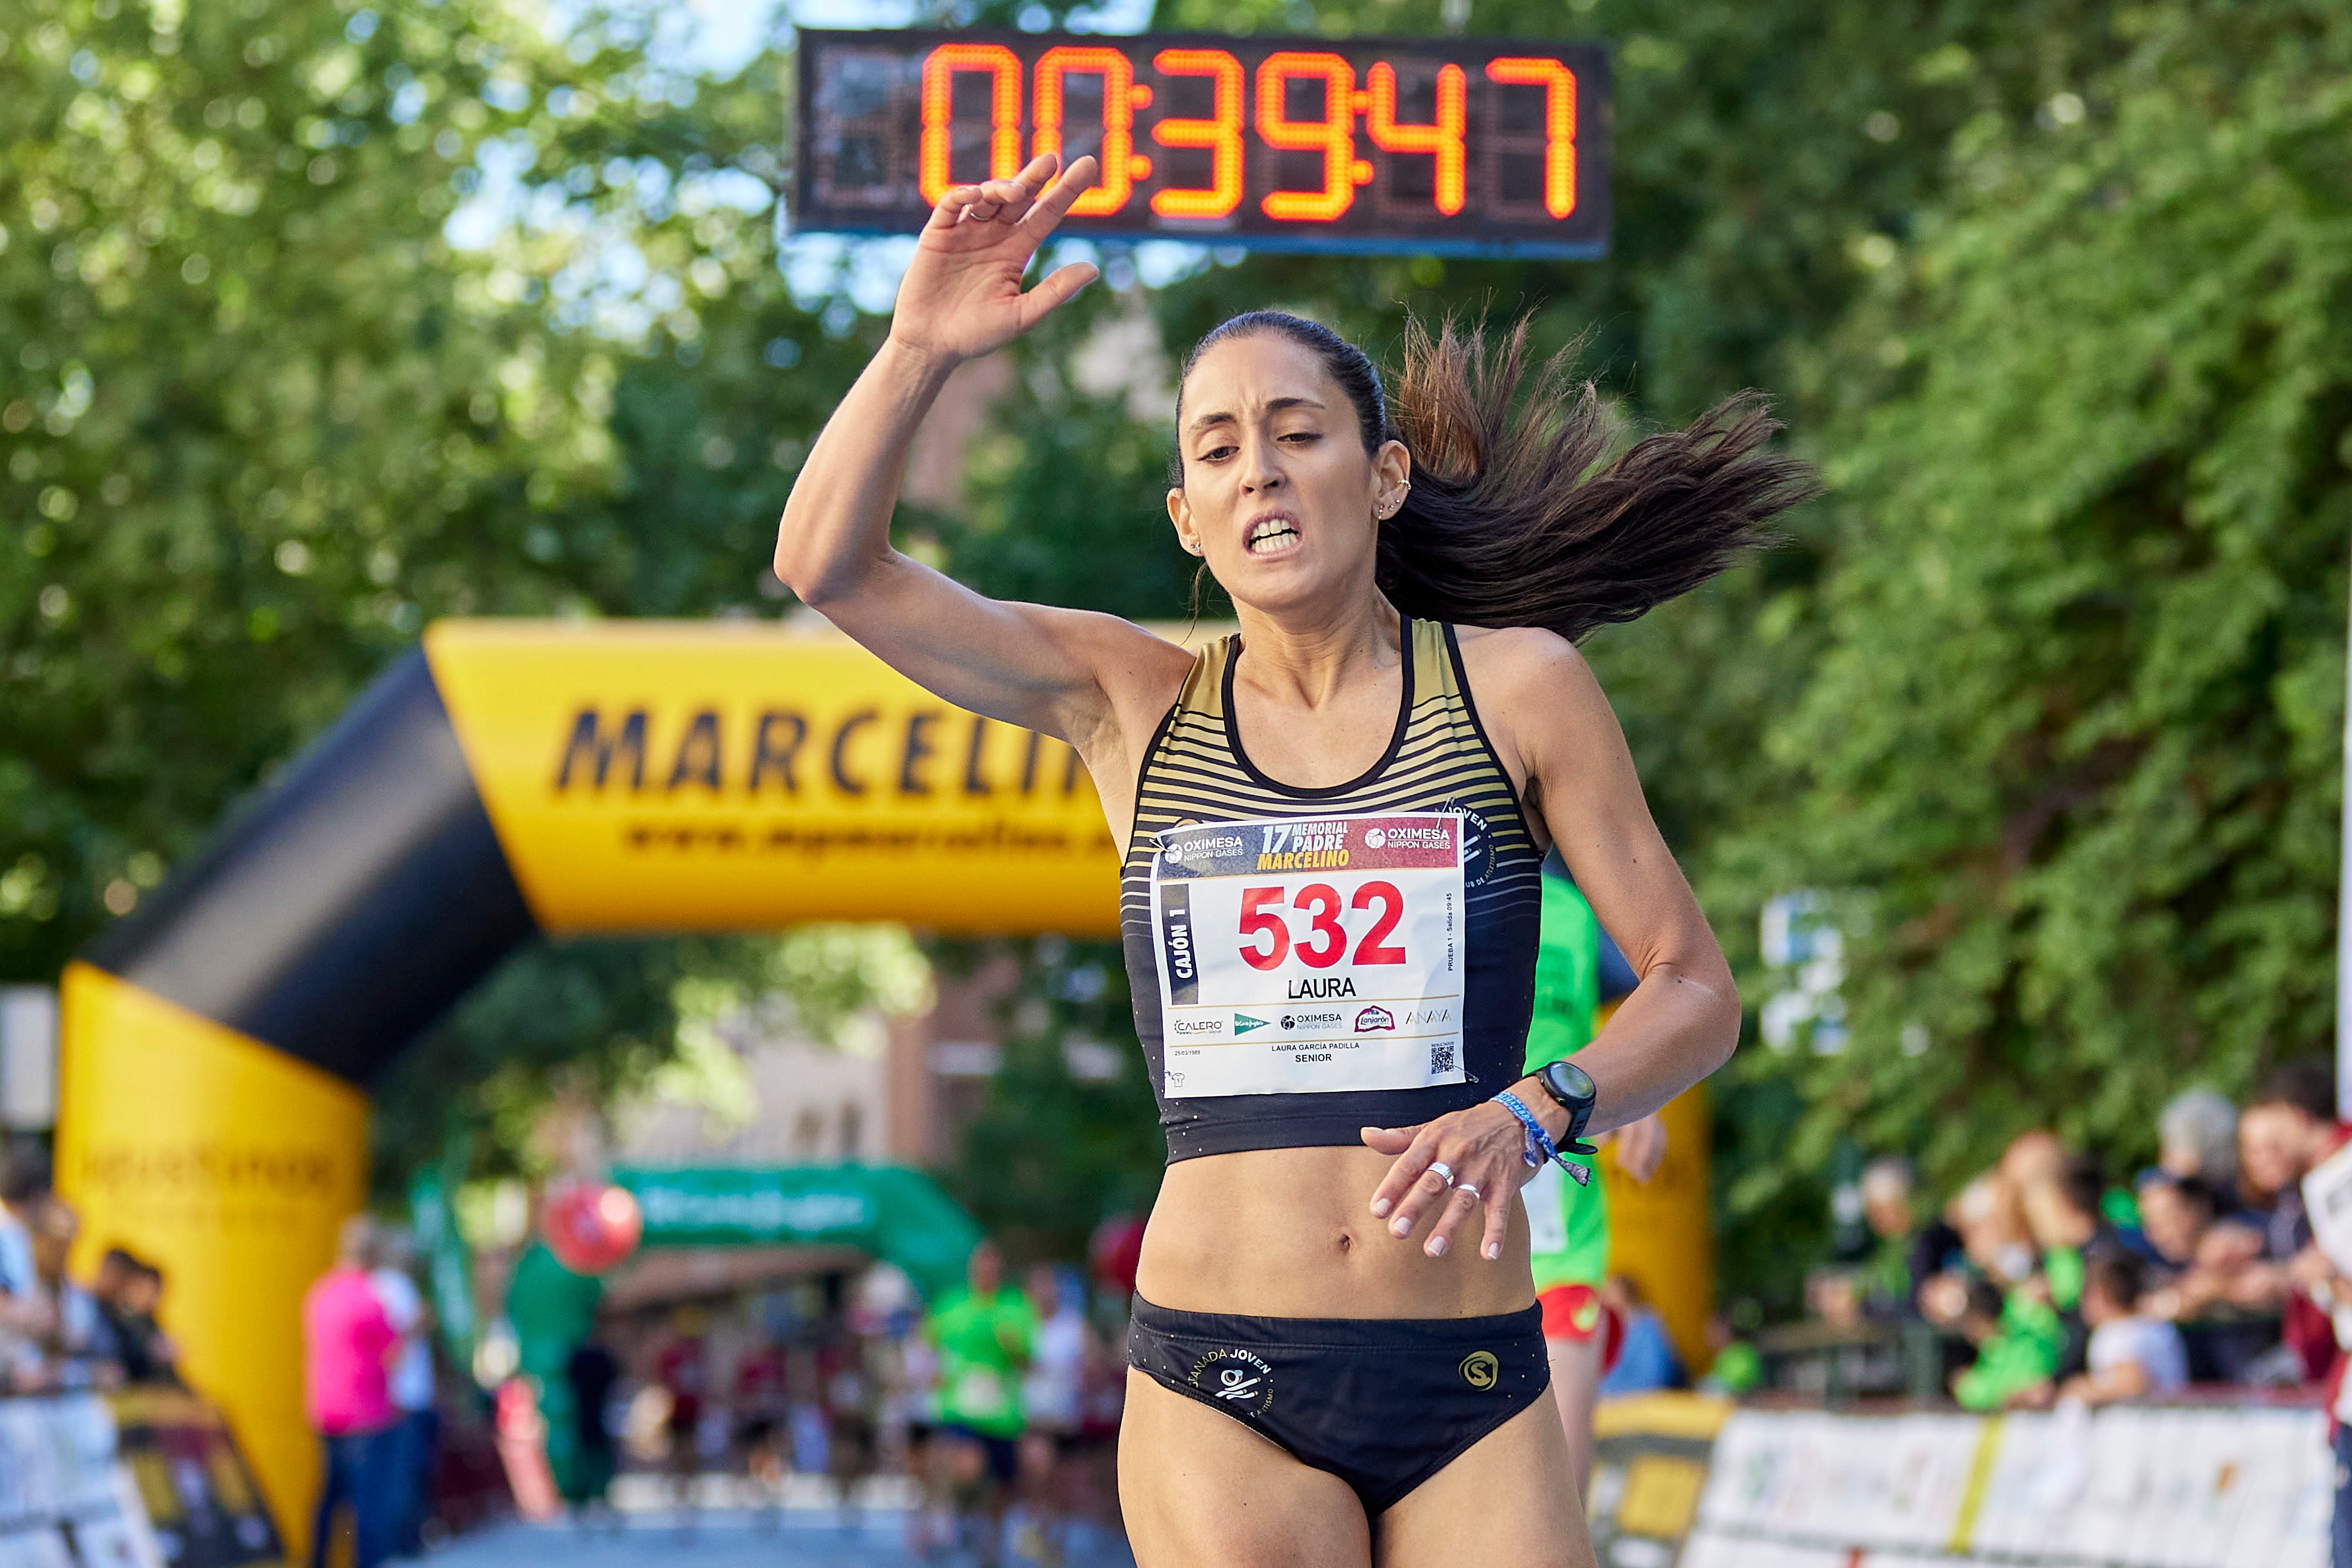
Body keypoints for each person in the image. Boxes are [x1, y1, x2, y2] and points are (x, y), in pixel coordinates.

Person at [773, 151, 1804, 1564]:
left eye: (1295, 431)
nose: (1255, 465)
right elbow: (830, 568)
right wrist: (917, 349)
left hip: (1471, 1373)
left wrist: (1539, 1109)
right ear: (1188, 524)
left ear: (1381, 477)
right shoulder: (1129, 699)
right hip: (1223, 1375)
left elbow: (1694, 989)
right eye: (1214, 449)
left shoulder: (1517, 688)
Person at [1521, 858, 1665, 1489]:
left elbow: (1668, 987)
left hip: (1557, 1245)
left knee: (1555, 1490)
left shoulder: (1573, 908)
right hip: (1428, 1231)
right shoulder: (1413, 871)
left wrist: (1641, 1093)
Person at [922, 1242, 1035, 1566]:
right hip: (961, 1408)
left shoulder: (1015, 1307)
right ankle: (963, 1518)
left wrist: (1011, 1345)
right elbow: (925, 1347)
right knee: (967, 1467)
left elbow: (1028, 1360)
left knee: (1002, 1489)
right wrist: (932, 1375)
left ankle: (991, 1547)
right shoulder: (951, 1306)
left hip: (1002, 1414)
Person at [303, 1215, 400, 1568]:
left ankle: (318, 1560)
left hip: (325, 1408)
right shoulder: (369, 1298)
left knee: (331, 1493)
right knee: (366, 1500)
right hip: (364, 1410)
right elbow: (392, 1352)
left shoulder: (321, 1292)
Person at [369, 1230, 437, 1560]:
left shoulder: (392, 1285)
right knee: (403, 1472)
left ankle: (406, 1539)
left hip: (407, 1393)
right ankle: (403, 1542)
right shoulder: (389, 1286)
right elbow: (389, 1340)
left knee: (407, 1470)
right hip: (401, 1395)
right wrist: (419, 1322)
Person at [2058, 1253, 2187, 1407]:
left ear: (2099, 1295)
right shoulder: (2158, 1326)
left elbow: (2132, 1383)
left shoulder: (2117, 1333)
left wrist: (2081, 1389)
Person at [561, 1336, 622, 1529]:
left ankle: (591, 1500)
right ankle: (593, 1499)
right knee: (593, 1461)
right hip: (594, 1415)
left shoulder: (582, 1358)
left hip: (589, 1415)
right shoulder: (598, 1358)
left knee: (592, 1461)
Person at [1596, 1275, 1683, 1398]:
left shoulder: (1645, 1326)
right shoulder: (1609, 1326)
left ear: (1625, 1296)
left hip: (1644, 1395)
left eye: (1610, 1293)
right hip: (1618, 1395)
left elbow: (1652, 1375)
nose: (1604, 1298)